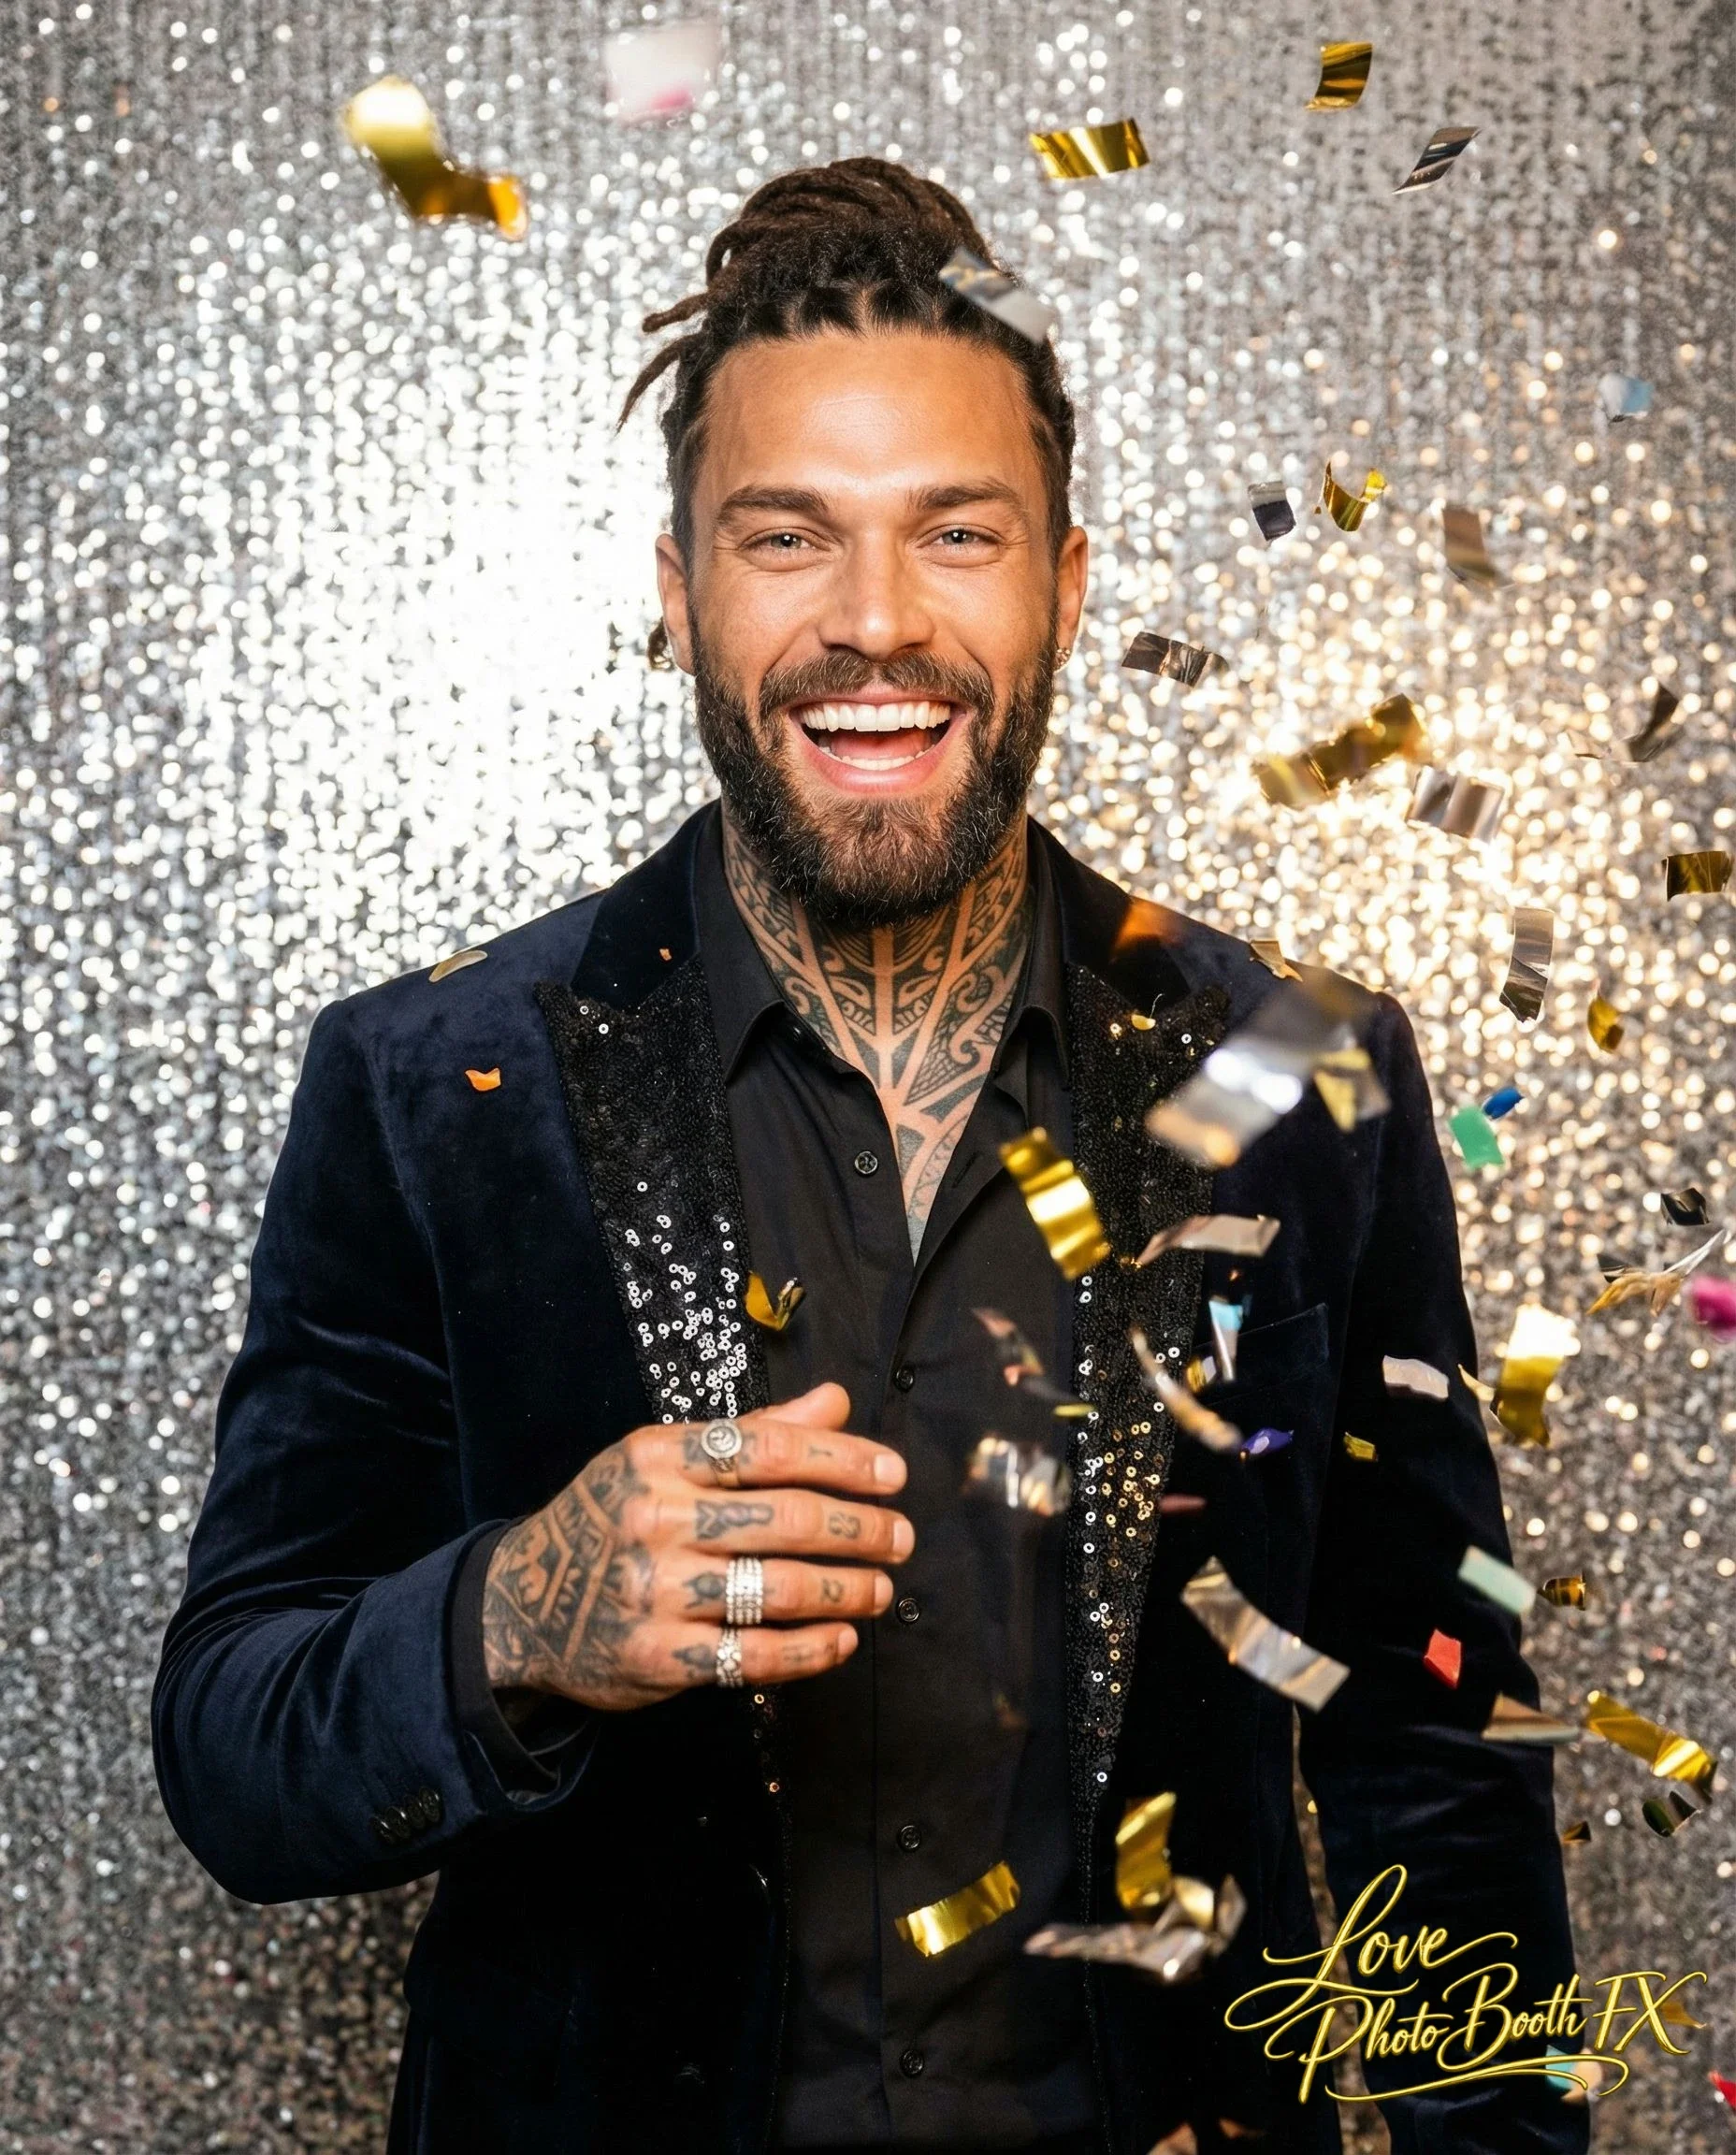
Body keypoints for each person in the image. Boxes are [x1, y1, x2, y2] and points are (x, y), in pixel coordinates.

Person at [154, 160, 1583, 2155]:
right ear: (677, 593)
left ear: (1067, 586)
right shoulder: (422, 1089)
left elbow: (1436, 1739)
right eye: (785, 536)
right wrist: (512, 1615)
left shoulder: (1303, 1076)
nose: (876, 622)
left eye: (957, 533)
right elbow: (232, 1751)